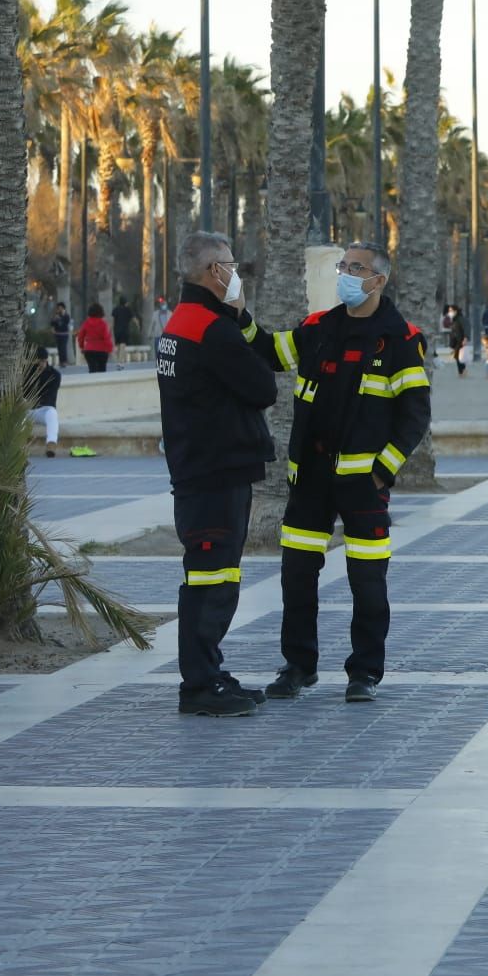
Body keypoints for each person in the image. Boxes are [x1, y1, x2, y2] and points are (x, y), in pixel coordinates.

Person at [246, 241, 431, 705]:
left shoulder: (401, 339)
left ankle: (364, 672)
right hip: (309, 480)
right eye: (343, 265)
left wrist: (382, 472)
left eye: (357, 267)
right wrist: (237, 311)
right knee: (296, 575)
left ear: (378, 280)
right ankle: (298, 667)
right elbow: (270, 352)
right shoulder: (319, 328)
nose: (346, 274)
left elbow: (415, 415)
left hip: (363, 487)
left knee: (368, 582)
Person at [157, 231, 279, 718]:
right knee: (213, 581)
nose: (237, 274)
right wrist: (237, 315)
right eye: (231, 265)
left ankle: (208, 672)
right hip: (215, 472)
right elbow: (262, 386)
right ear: (214, 273)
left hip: (198, 469)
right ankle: (200, 685)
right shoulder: (211, 328)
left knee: (208, 577)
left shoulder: (180, 323)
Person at [25, 346, 62, 459]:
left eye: (42, 361)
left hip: (43, 409)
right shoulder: (26, 373)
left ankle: (51, 445)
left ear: (46, 360)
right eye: (37, 362)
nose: (40, 364)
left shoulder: (54, 375)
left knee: (52, 414)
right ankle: (18, 446)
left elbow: (50, 396)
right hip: (27, 409)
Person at [78, 303, 113, 373]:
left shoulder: (86, 323)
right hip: (102, 350)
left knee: (92, 370)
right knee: (102, 370)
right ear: (101, 312)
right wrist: (110, 349)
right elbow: (107, 338)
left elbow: (80, 336)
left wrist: (81, 346)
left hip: (89, 350)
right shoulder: (103, 324)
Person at [111, 295, 135, 365]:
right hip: (125, 330)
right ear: (125, 302)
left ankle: (117, 359)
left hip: (117, 330)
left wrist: (110, 329)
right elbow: (134, 319)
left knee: (118, 345)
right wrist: (138, 325)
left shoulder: (115, 309)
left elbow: (113, 320)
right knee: (123, 345)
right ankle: (120, 361)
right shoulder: (128, 309)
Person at [448, 305, 469, 376]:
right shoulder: (454, 319)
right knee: (457, 357)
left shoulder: (460, 319)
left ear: (455, 311)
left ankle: (462, 371)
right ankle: (462, 371)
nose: (449, 312)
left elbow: (466, 328)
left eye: (451, 311)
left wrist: (465, 338)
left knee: (459, 356)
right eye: (449, 311)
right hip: (456, 341)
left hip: (460, 340)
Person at [51, 302, 73, 367]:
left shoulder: (66, 315)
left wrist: (62, 316)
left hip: (64, 334)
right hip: (57, 334)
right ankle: (61, 361)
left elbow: (67, 322)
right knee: (59, 348)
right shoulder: (56, 315)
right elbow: (52, 323)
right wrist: (55, 318)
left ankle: (64, 361)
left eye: (61, 308)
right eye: (58, 308)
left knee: (63, 347)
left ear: (63, 308)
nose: (60, 309)